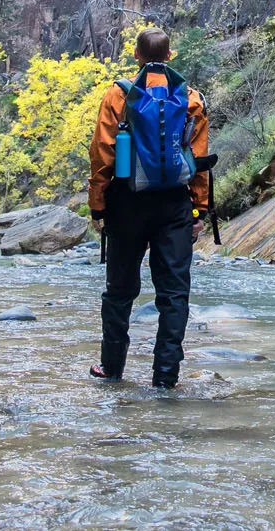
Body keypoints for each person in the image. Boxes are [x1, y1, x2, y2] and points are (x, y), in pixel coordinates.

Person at [87, 27, 209, 389]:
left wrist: (98, 207)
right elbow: (198, 160)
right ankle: (166, 377)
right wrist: (198, 210)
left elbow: (102, 154)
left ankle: (111, 368)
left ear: (137, 56)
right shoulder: (190, 98)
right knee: (174, 294)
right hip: (174, 204)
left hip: (126, 202)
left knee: (120, 290)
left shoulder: (119, 94)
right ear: (170, 56)